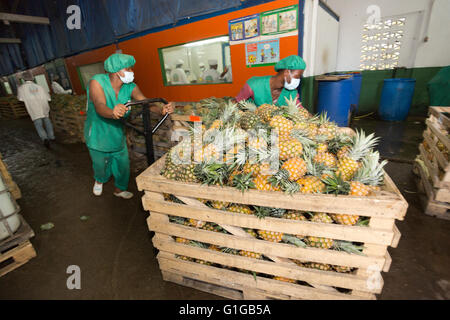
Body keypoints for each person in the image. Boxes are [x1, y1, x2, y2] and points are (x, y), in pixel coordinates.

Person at [85, 53, 174, 200]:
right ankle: (99, 179)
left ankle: (119, 189)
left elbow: (147, 103)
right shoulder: (97, 82)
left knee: (123, 165)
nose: (131, 72)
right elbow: (99, 105)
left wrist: (162, 109)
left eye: (131, 69)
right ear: (116, 70)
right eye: (128, 69)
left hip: (117, 132)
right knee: (101, 164)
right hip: (98, 133)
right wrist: (112, 111)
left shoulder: (130, 87)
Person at [235, 55, 307, 108]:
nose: (298, 80)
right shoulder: (254, 85)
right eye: (297, 76)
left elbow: (301, 111)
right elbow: (235, 103)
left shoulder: (292, 92)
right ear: (286, 72)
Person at [17, 72, 55, 148]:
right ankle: (51, 136)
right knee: (47, 121)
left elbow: (20, 99)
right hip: (44, 107)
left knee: (38, 125)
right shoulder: (40, 86)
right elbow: (48, 98)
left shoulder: (21, 88)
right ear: (32, 78)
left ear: (23, 79)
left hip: (34, 109)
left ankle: (45, 139)